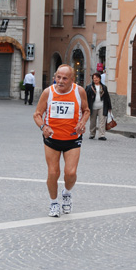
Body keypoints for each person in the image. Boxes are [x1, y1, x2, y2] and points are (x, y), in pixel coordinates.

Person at [33, 65, 90, 217]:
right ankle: (53, 203)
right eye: (58, 77)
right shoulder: (48, 92)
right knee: (53, 173)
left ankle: (66, 193)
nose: (60, 81)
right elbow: (37, 114)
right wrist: (43, 127)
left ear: (72, 79)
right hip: (52, 139)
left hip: (73, 138)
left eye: (65, 78)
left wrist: (82, 122)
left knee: (70, 173)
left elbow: (86, 110)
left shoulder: (79, 92)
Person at [85, 72, 112, 141]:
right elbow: (85, 97)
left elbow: (107, 98)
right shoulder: (89, 87)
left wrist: (109, 107)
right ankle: (92, 134)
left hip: (102, 106)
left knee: (102, 121)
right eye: (94, 78)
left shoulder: (104, 87)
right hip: (93, 107)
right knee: (92, 121)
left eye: (97, 78)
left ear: (100, 79)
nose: (95, 79)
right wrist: (85, 106)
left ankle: (101, 135)